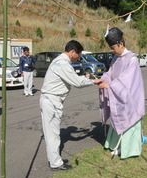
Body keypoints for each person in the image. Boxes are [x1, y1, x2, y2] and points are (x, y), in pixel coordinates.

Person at [40, 40, 102, 170]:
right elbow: (77, 82)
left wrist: (87, 77)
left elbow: (73, 77)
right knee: (53, 134)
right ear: (72, 52)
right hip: (51, 100)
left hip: (52, 100)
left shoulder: (60, 61)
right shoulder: (62, 63)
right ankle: (55, 163)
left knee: (54, 133)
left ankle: (55, 158)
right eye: (78, 55)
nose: (79, 58)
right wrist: (94, 81)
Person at [98, 27, 145, 159]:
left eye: (113, 48)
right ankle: (115, 144)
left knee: (128, 121)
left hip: (130, 99)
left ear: (121, 44)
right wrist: (102, 79)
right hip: (118, 95)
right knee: (117, 118)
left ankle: (127, 148)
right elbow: (110, 73)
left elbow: (127, 81)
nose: (112, 51)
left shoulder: (132, 59)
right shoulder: (116, 58)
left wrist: (109, 85)